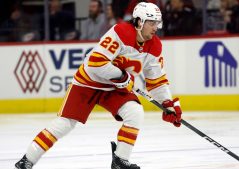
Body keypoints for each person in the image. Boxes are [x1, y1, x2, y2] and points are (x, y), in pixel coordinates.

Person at [15, 2, 182, 169]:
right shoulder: (121, 32)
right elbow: (95, 63)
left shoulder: (155, 45)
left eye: (157, 23)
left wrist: (168, 103)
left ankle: (120, 160)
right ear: (139, 22)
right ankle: (27, 160)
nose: (156, 28)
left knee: (135, 112)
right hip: (87, 83)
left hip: (113, 88)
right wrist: (121, 76)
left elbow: (157, 80)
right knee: (64, 124)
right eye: (151, 23)